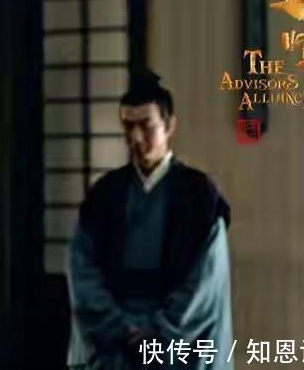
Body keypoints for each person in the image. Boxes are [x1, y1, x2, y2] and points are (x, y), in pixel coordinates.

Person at [67, 72, 233, 370]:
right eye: (128, 126)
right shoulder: (104, 194)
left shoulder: (200, 196)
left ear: (169, 126)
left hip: (177, 344)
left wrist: (159, 332)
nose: (135, 137)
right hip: (116, 342)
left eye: (146, 125)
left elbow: (206, 281)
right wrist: (121, 327)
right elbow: (82, 271)